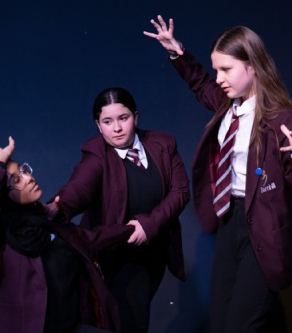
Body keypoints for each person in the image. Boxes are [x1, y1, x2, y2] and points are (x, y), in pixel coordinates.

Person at [143, 16, 292, 333]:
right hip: (229, 222)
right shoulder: (226, 104)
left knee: (240, 325)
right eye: (217, 70)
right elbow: (200, 84)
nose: (219, 78)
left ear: (252, 66)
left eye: (226, 69)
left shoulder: (281, 119)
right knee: (222, 320)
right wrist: (176, 52)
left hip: (265, 227)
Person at [52, 87, 190, 333]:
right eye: (107, 121)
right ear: (98, 125)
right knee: (131, 323)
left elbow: (180, 192)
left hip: (155, 250)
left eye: (123, 118)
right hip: (118, 256)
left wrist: (149, 225)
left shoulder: (163, 143)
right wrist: (57, 207)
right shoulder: (97, 154)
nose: (116, 128)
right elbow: (79, 188)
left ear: (135, 117)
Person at [0, 136, 135, 333]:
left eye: (23, 170)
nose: (28, 178)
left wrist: (134, 229)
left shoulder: (49, 223)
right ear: (3, 196)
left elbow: (92, 238)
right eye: (16, 180)